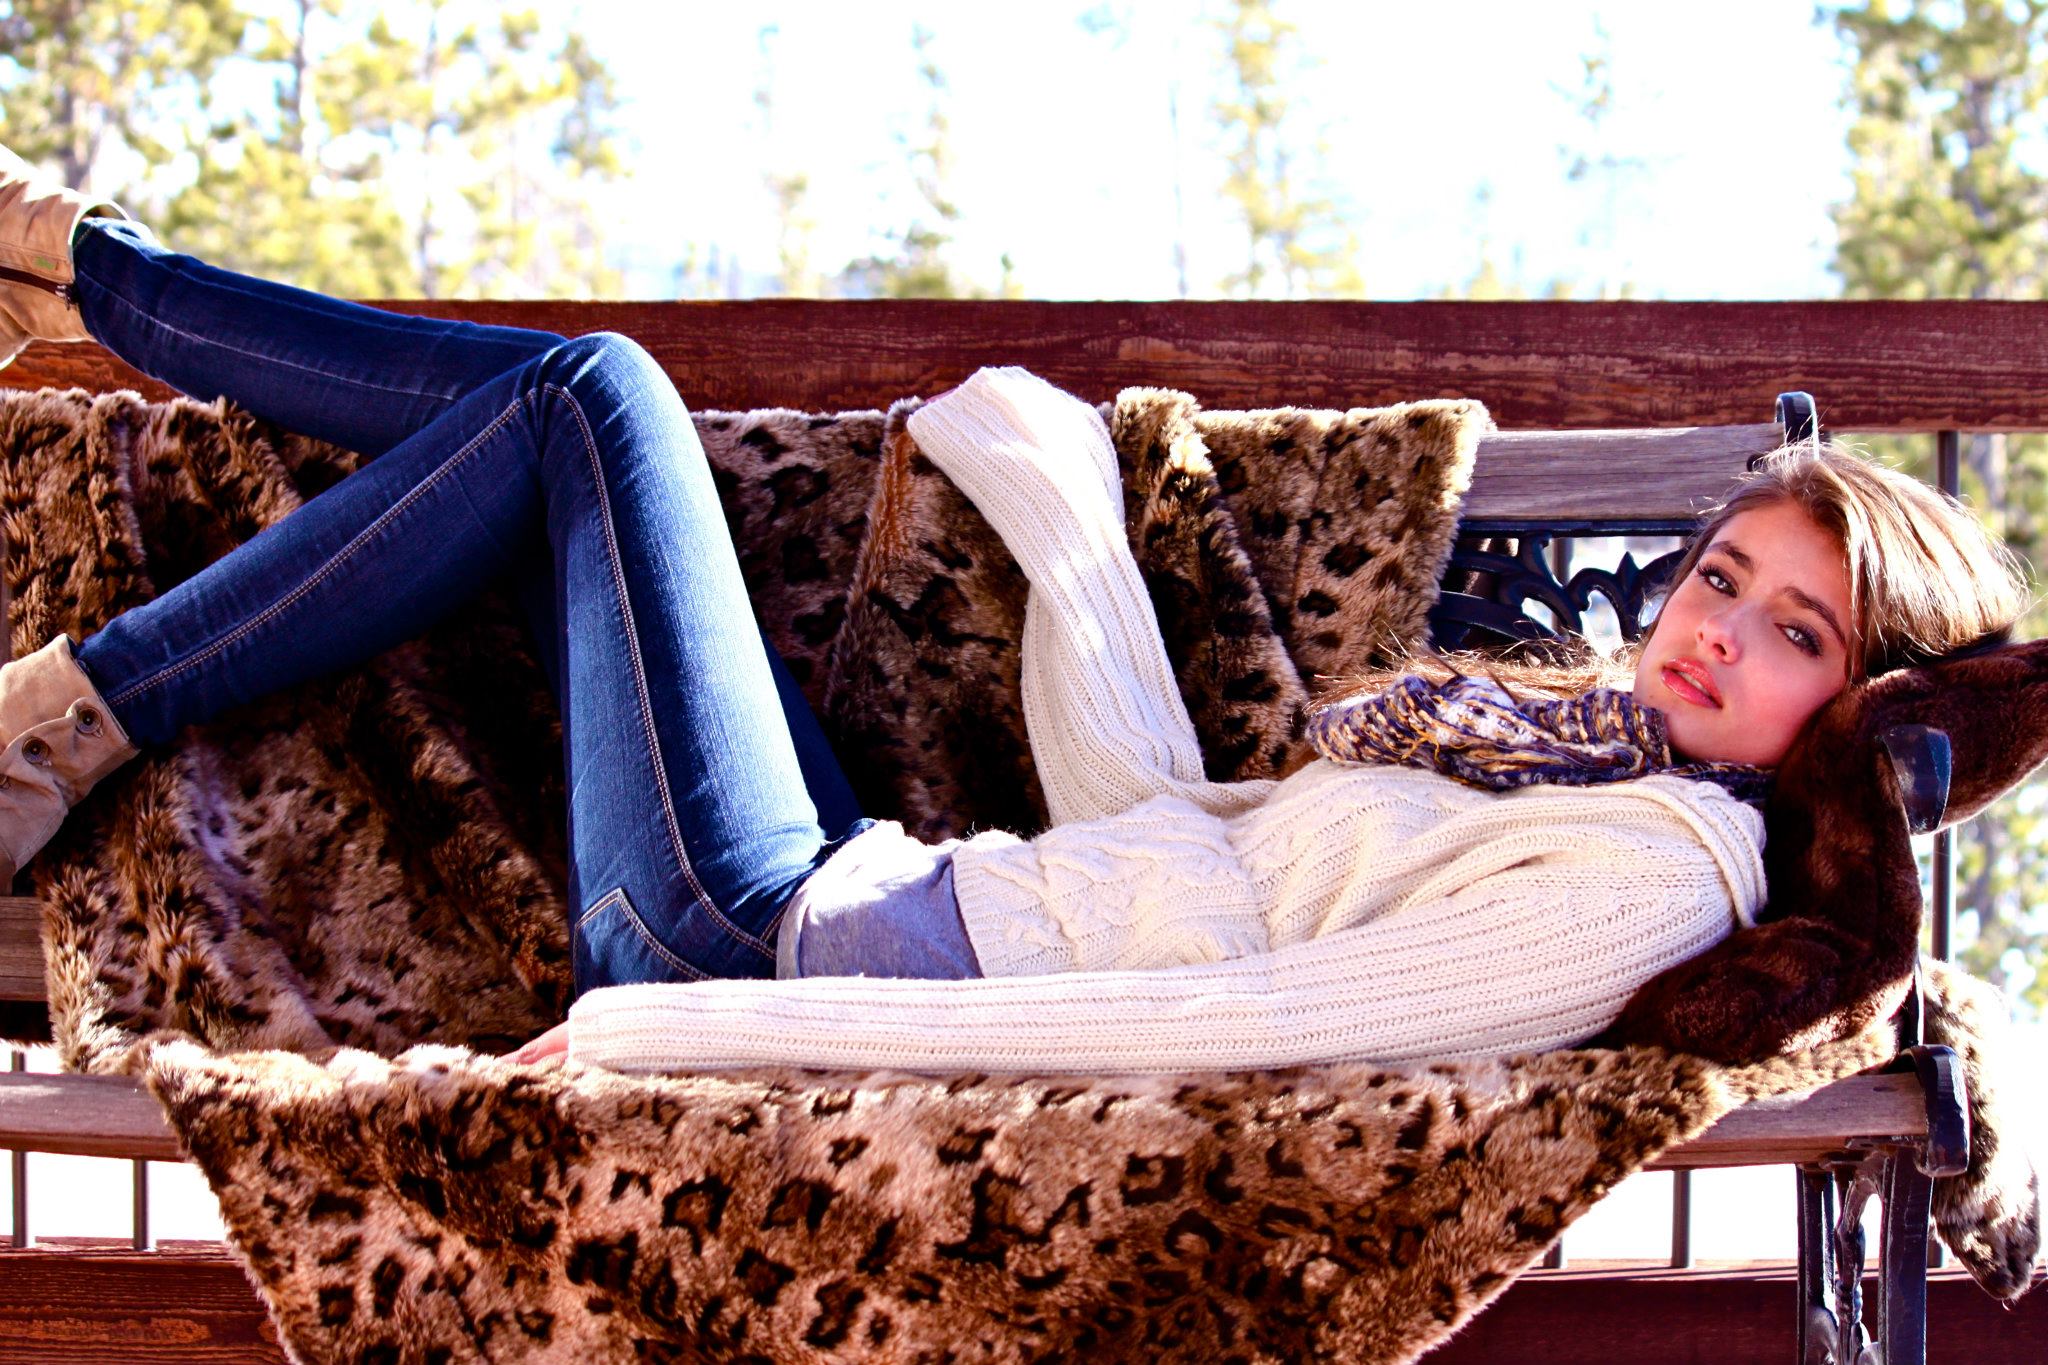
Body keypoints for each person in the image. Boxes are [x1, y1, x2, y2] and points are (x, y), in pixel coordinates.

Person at [0, 149, 2029, 1075]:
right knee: (562, 434)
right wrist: (1071, 528)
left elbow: (1231, 1027)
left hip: (760, 940)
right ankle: (84, 318)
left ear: (1868, 714)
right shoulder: (1562, 759)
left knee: (591, 400)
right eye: (1723, 576)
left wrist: (685, 1026)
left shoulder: (1653, 874)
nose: (1715, 629)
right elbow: (1168, 841)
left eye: (1798, 633)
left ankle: (83, 333)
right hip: (849, 875)